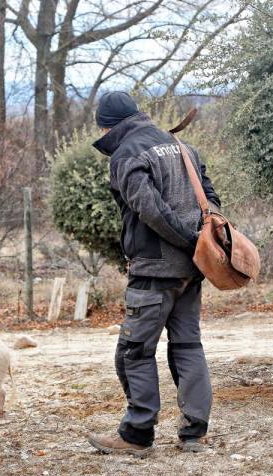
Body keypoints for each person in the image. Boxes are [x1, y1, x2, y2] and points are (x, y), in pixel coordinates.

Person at [87, 92, 221, 457]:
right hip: (193, 270)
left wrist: (188, 240)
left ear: (107, 127)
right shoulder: (182, 147)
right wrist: (201, 246)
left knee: (133, 351)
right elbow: (210, 200)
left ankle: (137, 434)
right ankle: (195, 433)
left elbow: (151, 211)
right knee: (188, 346)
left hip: (154, 269)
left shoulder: (126, 154)